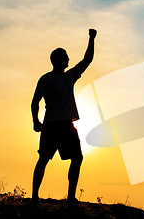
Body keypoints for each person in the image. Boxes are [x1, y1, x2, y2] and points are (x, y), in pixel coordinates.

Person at [30, 29, 97, 206]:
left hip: (67, 125)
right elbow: (35, 101)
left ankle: (71, 197)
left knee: (77, 158)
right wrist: (35, 120)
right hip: (51, 125)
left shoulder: (70, 76)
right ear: (56, 59)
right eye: (65, 56)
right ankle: (34, 197)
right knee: (43, 159)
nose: (68, 58)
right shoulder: (47, 79)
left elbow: (87, 60)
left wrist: (91, 38)